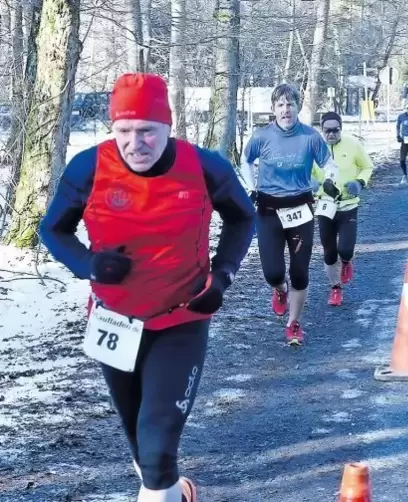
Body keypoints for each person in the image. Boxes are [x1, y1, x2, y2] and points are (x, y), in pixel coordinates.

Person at [39, 73, 256, 502]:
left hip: (182, 317)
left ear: (167, 127)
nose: (135, 143)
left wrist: (223, 274)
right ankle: (175, 490)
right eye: (123, 131)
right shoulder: (89, 167)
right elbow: (52, 230)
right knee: (141, 444)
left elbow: (243, 217)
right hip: (114, 322)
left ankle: (162, 484)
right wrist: (89, 264)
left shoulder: (204, 166)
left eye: (146, 131)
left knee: (157, 453)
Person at [242, 83, 340, 345]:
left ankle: (294, 323)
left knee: (300, 270)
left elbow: (329, 164)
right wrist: (252, 188)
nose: (286, 110)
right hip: (269, 210)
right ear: (274, 109)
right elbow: (245, 160)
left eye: (290, 104)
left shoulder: (310, 137)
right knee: (272, 272)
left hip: (301, 209)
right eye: (280, 105)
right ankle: (279, 289)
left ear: (298, 106)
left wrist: (330, 180)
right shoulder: (261, 136)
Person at [314, 112, 374, 307]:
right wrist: (311, 183)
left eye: (335, 130)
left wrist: (359, 181)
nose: (331, 134)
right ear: (322, 130)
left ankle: (347, 262)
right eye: (327, 130)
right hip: (325, 205)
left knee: (345, 249)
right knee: (329, 252)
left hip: (348, 205)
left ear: (341, 129)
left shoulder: (352, 144)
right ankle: (335, 289)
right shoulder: (315, 149)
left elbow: (367, 167)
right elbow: (305, 173)